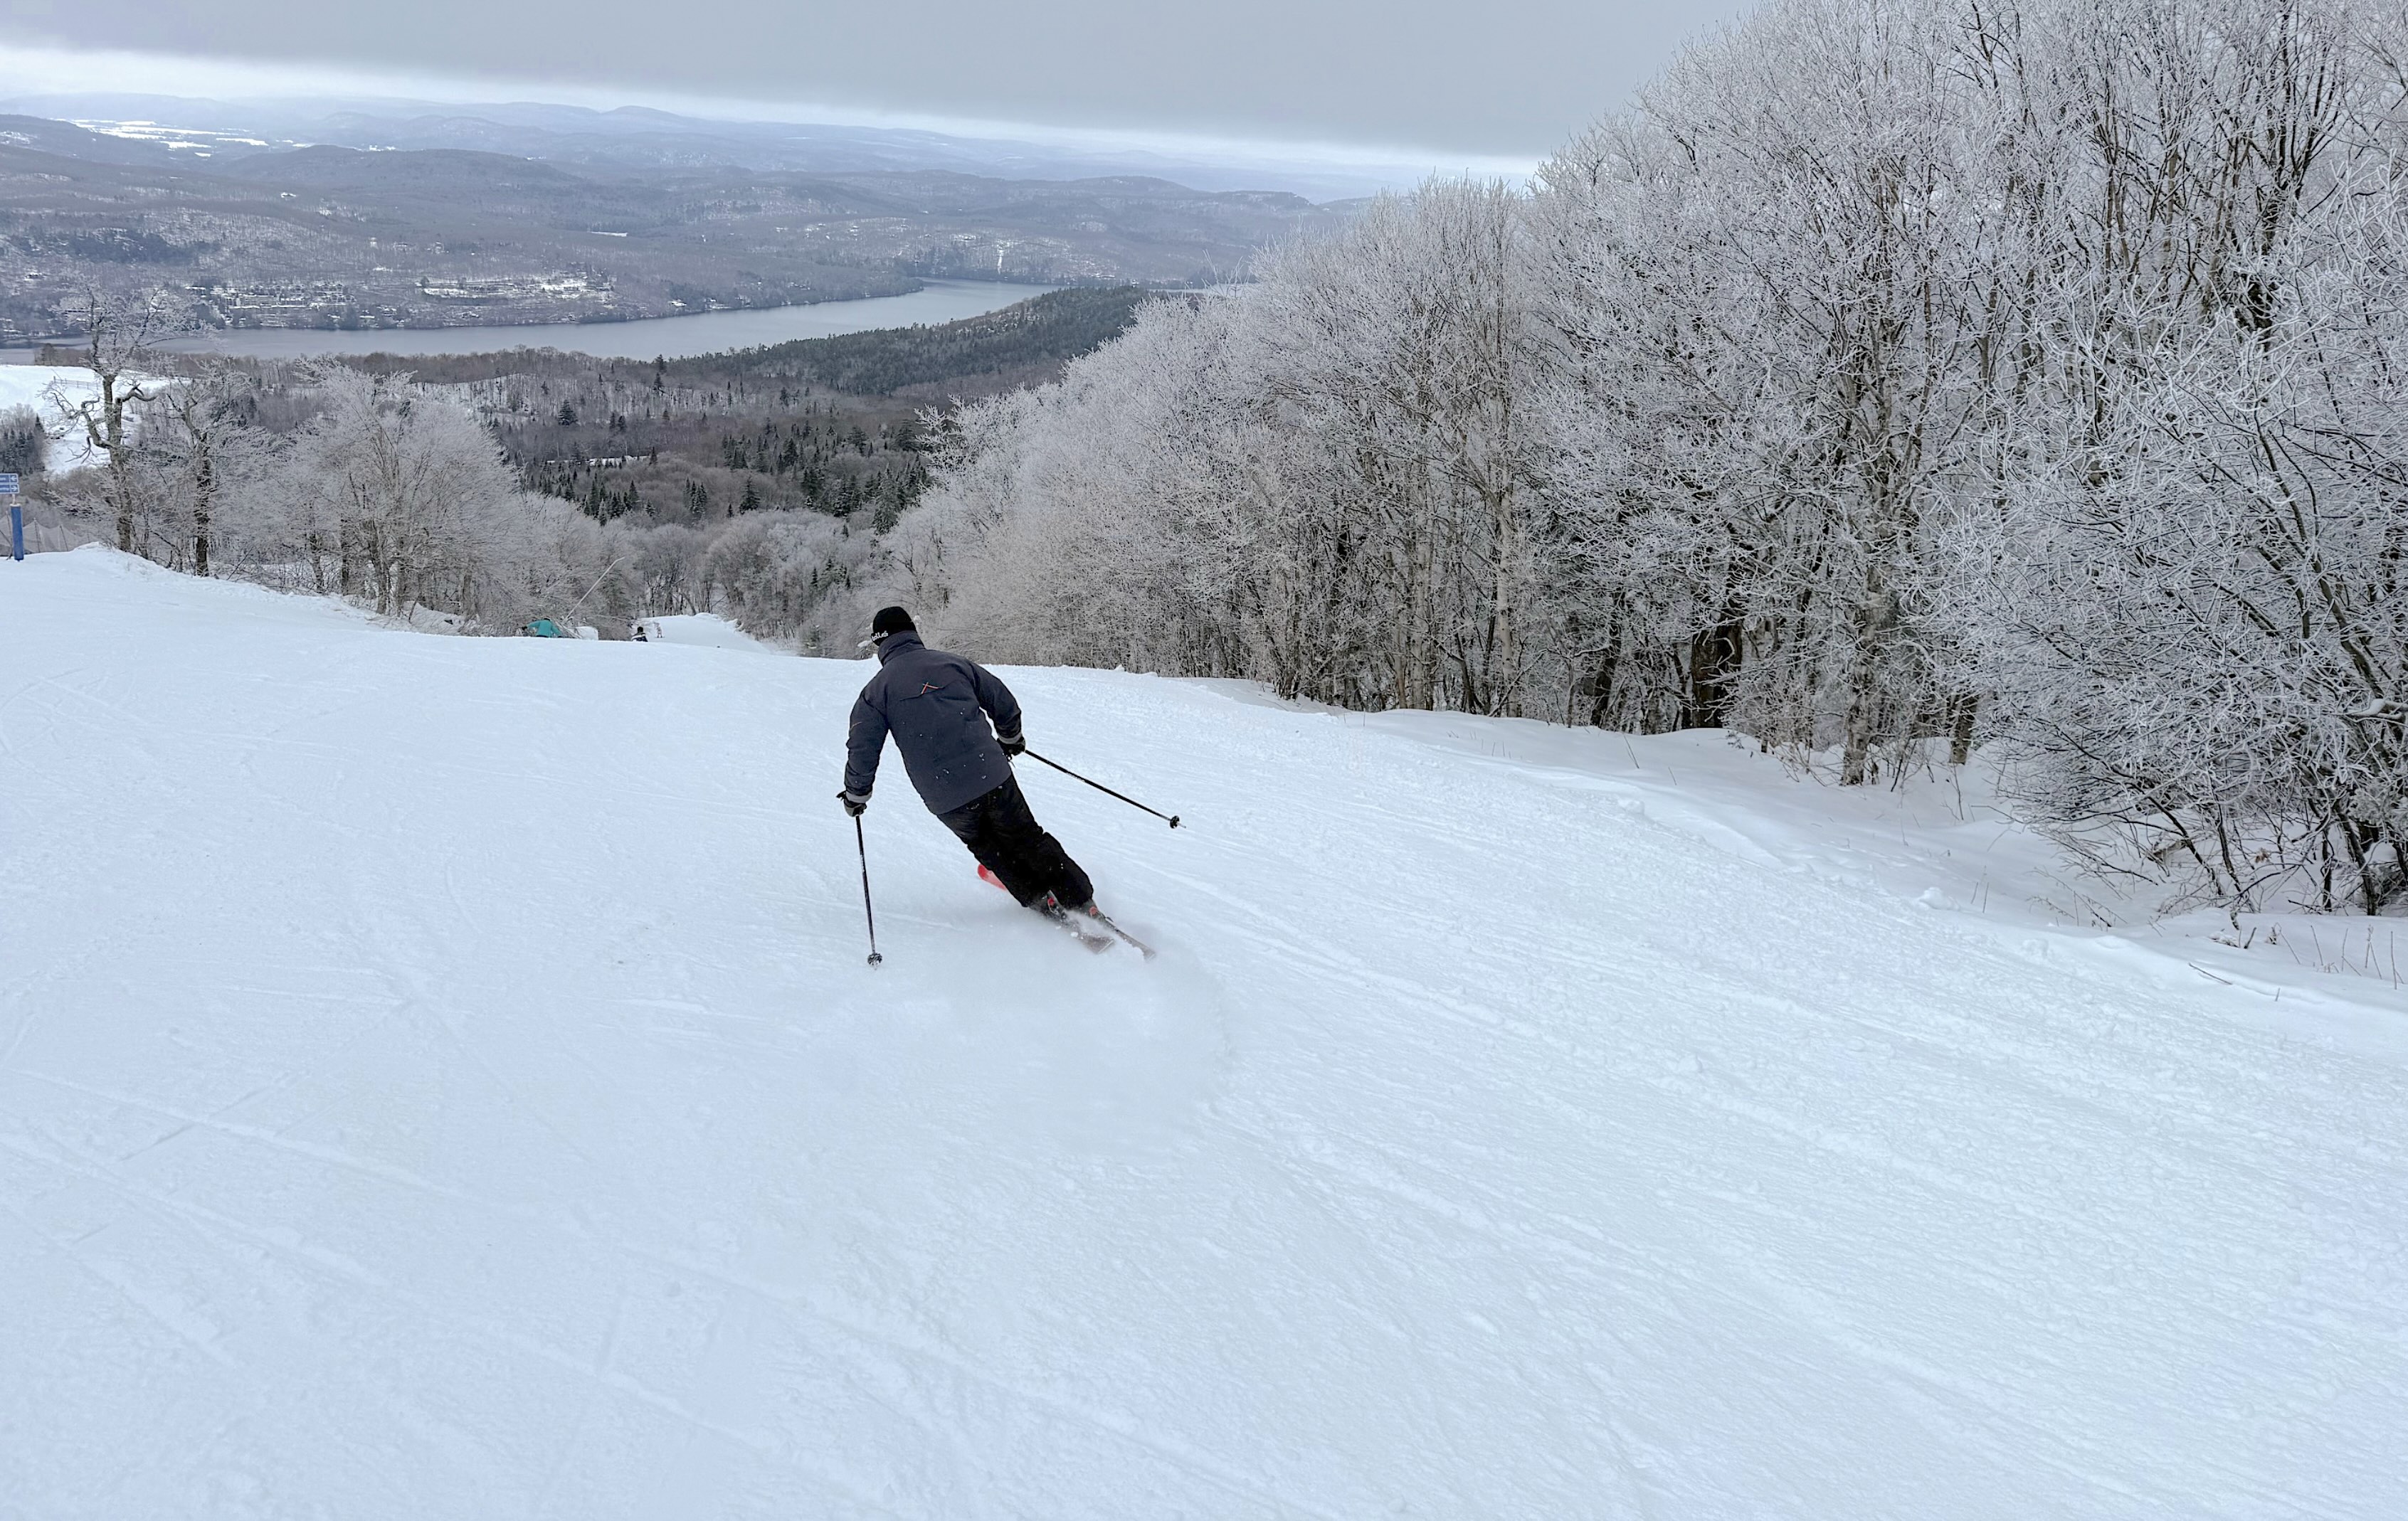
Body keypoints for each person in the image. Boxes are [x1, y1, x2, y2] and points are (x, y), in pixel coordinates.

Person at [841, 605, 1095, 914]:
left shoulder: (875, 692)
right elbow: (1002, 701)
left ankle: (1040, 901)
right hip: (992, 775)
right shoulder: (953, 664)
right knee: (1027, 837)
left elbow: (863, 748)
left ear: (880, 643)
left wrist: (857, 794)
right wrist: (1011, 738)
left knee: (989, 849)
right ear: (913, 632)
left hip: (945, 797)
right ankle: (1081, 900)